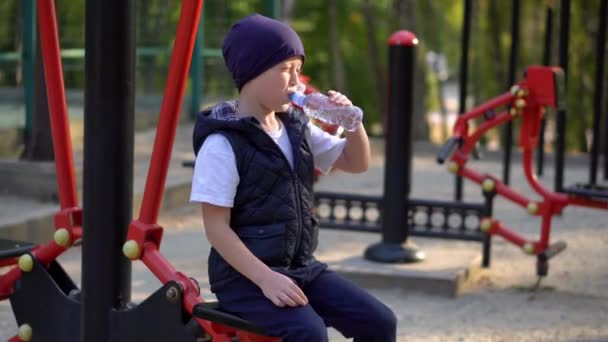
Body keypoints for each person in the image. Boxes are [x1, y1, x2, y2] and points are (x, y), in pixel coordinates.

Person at [190, 13, 397, 342]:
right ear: (251, 72)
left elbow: (356, 163)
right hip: (243, 279)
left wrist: (353, 124)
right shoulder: (222, 144)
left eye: (298, 71)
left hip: (301, 267)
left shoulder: (296, 127)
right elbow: (216, 228)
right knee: (308, 333)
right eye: (286, 70)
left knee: (380, 322)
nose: (296, 83)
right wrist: (265, 278)